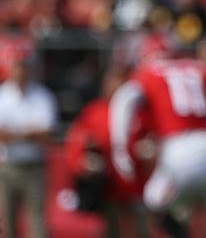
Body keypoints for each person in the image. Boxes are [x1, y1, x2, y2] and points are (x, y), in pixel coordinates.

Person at [109, 40, 206, 238]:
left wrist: (120, 150)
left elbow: (124, 100)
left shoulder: (149, 74)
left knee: (153, 202)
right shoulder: (200, 70)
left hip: (179, 150)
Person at [64, 65, 153, 238]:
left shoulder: (139, 114)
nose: (115, 86)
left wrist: (147, 151)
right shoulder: (94, 111)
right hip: (109, 186)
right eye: (111, 81)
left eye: (120, 82)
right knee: (111, 231)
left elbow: (151, 141)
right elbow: (77, 143)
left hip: (136, 186)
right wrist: (83, 163)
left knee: (142, 230)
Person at [0, 46, 57, 238]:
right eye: (17, 65)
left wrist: (13, 134)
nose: (20, 70)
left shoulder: (43, 95)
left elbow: (47, 134)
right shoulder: (2, 95)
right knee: (7, 222)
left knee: (38, 222)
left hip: (34, 166)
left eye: (23, 66)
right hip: (6, 166)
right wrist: (29, 133)